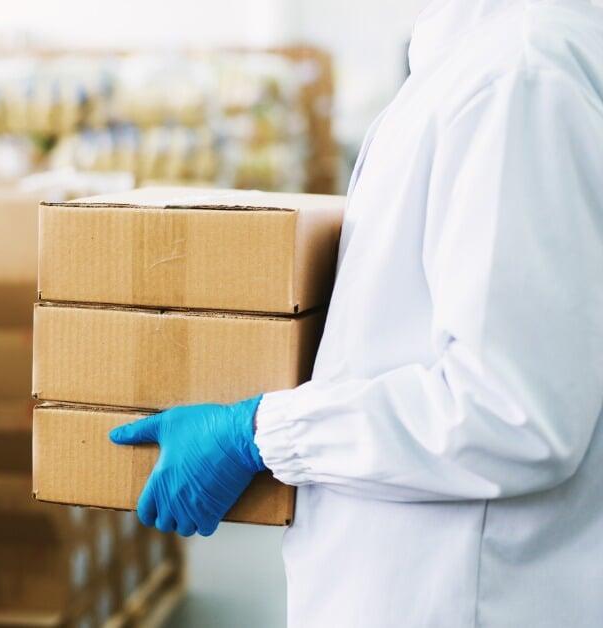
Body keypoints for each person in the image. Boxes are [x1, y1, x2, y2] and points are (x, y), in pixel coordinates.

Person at [108, 0, 603, 625]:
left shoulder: (515, 76)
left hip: (460, 595)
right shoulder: (476, 62)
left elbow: (512, 411)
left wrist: (258, 433)